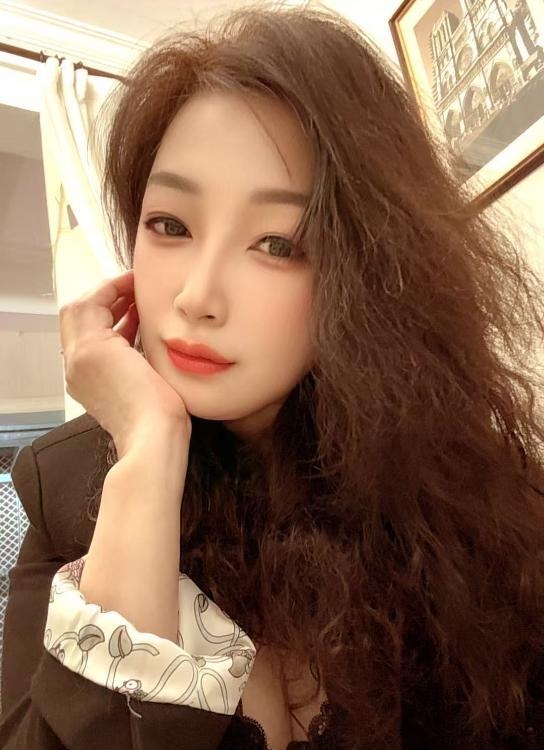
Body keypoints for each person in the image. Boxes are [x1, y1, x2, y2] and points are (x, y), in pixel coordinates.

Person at [1, 4, 544, 749]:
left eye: (278, 244)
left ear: (371, 273)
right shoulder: (65, 490)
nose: (196, 296)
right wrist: (149, 456)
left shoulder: (474, 498)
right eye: (170, 225)